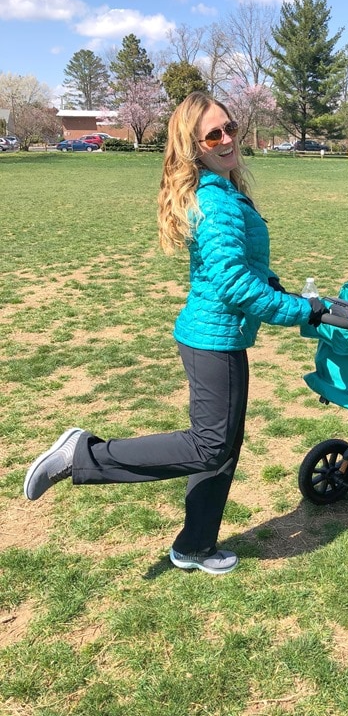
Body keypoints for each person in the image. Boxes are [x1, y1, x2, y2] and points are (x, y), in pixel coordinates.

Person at [23, 91, 325, 575]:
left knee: (220, 447)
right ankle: (83, 456)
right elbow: (235, 285)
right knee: (209, 445)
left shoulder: (221, 190)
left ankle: (195, 545)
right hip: (214, 339)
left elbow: (242, 267)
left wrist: (279, 288)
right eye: (213, 134)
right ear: (193, 146)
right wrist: (301, 312)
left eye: (230, 128)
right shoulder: (216, 200)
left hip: (215, 336)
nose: (226, 139)